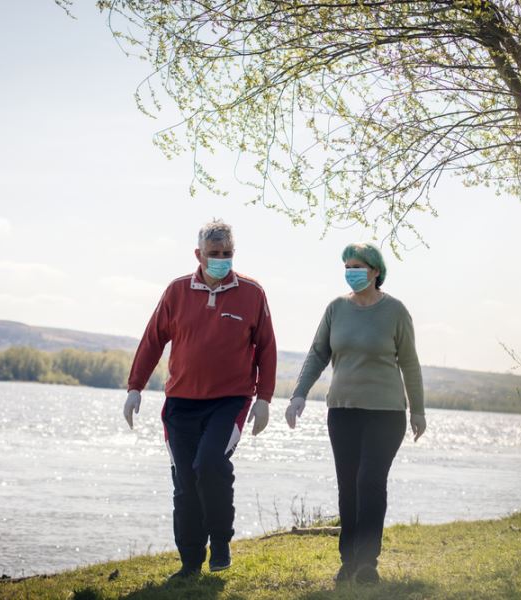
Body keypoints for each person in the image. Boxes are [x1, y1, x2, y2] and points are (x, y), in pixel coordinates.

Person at [124, 219, 276, 578]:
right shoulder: (177, 291)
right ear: (199, 254)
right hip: (181, 404)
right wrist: (135, 388)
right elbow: (152, 341)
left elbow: (267, 348)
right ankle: (190, 563)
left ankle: (221, 543)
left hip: (230, 401)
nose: (221, 260)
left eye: (227, 254)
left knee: (208, 466)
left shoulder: (252, 293)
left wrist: (264, 398)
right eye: (214, 254)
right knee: (185, 482)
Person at [285, 242, 426, 585]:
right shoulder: (336, 309)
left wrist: (418, 411)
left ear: (376, 271)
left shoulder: (395, 311)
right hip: (343, 412)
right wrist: (299, 394)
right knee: (348, 486)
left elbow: (409, 362)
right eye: (347, 266)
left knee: (369, 481)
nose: (352, 272)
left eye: (358, 266)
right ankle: (348, 560)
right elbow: (318, 353)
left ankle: (367, 563)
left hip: (386, 413)